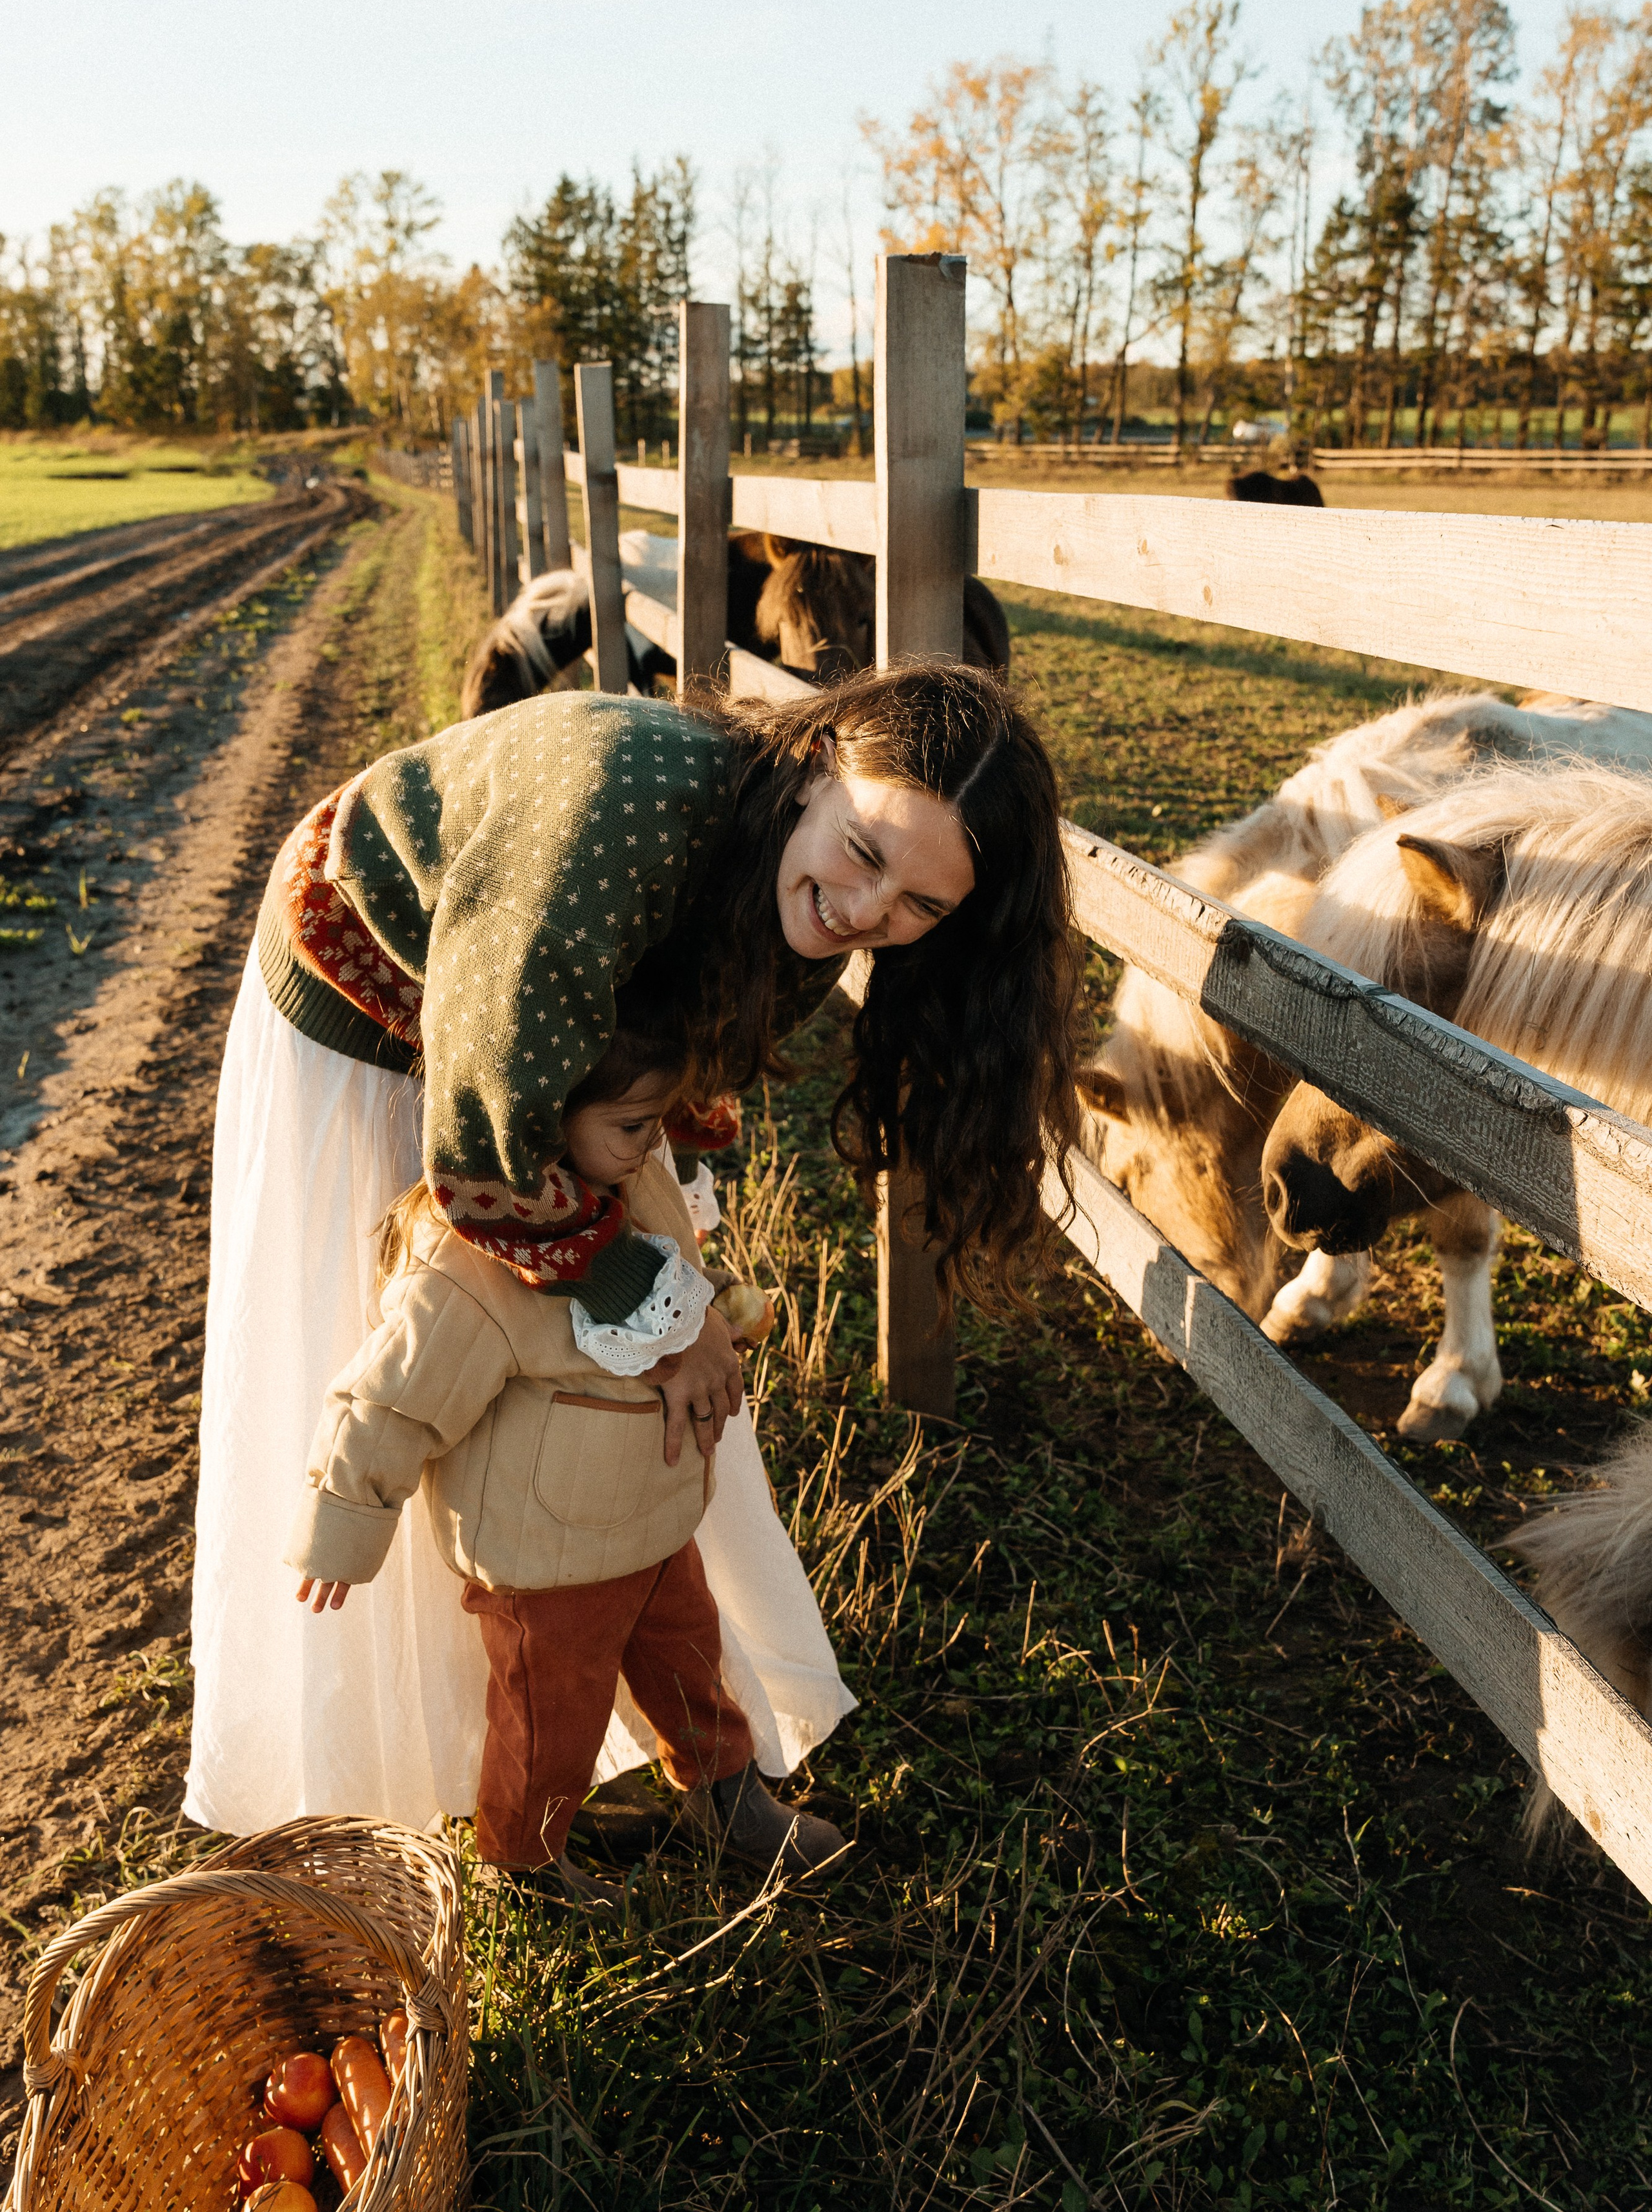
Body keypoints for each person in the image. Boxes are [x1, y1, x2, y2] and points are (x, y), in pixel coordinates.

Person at [186, 662, 1083, 1843]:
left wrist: (670, 1279)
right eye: (867, 855)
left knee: (608, 1378)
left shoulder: (809, 899)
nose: (869, 916)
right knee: (435, 1344)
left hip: (524, 1016)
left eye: (921, 906)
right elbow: (492, 1160)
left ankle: (664, 1737)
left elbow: (667, 1085)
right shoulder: (608, 812)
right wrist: (659, 1310)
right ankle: (427, 1772)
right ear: (816, 771)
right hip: (373, 999)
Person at [287, 1024, 843, 1899]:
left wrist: (713, 1320)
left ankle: (725, 1795)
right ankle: (525, 1857)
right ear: (538, 1121)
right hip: (546, 1560)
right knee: (549, 1719)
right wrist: (341, 1524)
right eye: (632, 1123)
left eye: (657, 1119)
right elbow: (390, 1400)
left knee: (692, 1664)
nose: (652, 1140)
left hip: (657, 1523)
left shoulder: (634, 1183)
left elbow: (668, 1284)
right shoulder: (469, 1266)